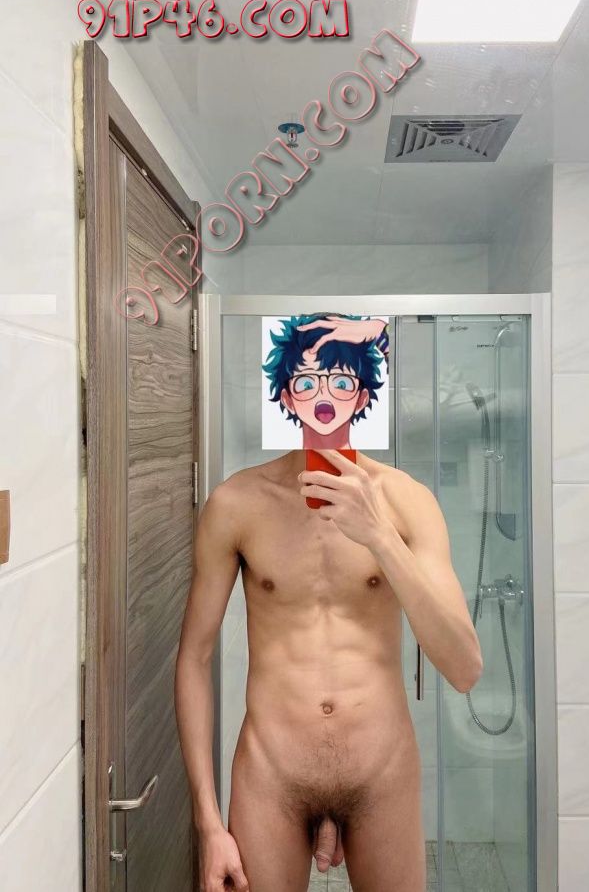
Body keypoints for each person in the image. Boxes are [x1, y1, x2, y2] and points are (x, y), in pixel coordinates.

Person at [174, 316, 483, 892]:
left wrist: (380, 538)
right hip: (271, 774)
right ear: (287, 395)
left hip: (381, 771)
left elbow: (464, 668)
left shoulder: (407, 502)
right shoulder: (236, 503)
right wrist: (208, 824)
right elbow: (195, 657)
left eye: (342, 382)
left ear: (363, 396)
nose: (324, 396)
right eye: (307, 381)